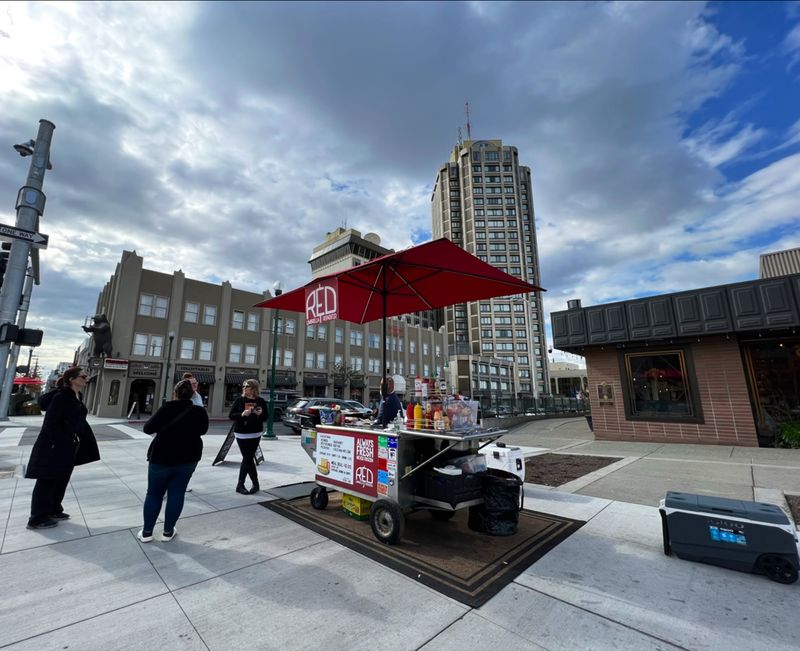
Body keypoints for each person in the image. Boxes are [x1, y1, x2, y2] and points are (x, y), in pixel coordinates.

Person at [25, 366, 100, 530]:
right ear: (72, 379)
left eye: (85, 377)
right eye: (82, 377)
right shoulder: (61, 397)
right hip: (54, 446)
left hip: (69, 445)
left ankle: (53, 509)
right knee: (47, 480)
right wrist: (58, 441)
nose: (85, 379)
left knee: (61, 477)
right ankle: (37, 518)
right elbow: (50, 423)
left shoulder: (77, 395)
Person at [138, 379, 208, 542]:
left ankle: (147, 532)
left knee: (154, 494)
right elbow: (203, 431)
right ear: (192, 395)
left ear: (174, 393)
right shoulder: (198, 411)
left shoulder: (166, 408)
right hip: (188, 458)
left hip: (161, 457)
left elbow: (148, 428)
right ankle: (168, 531)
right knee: (177, 493)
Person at [229, 379, 268, 494]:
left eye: (247, 386)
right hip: (241, 433)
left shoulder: (260, 401)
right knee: (248, 458)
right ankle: (254, 484)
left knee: (247, 458)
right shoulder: (239, 400)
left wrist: (260, 414)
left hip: (256, 433)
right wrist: (242, 414)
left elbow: (266, 416)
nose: (244, 388)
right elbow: (231, 415)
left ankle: (241, 485)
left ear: (254, 388)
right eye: (244, 386)